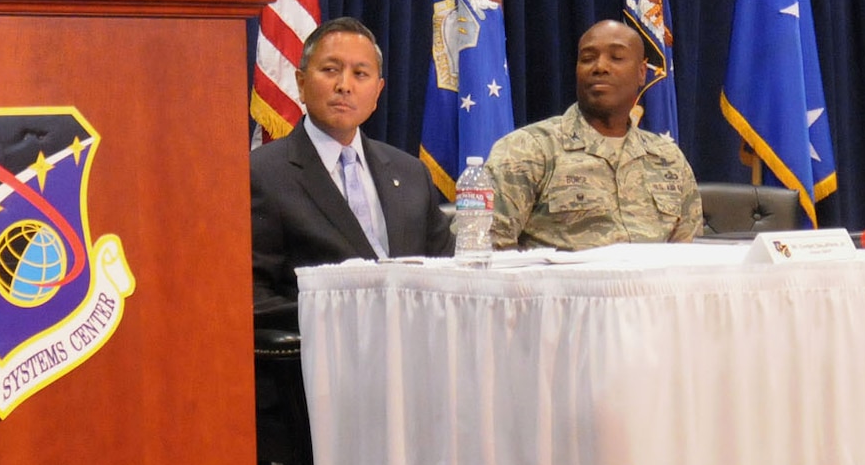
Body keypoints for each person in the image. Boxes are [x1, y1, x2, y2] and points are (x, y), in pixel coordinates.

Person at [250, 18, 454, 312]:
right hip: (321, 349)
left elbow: (446, 273)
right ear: (301, 83)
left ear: (377, 92)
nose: (344, 86)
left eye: (360, 74)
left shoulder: (411, 172)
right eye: (330, 70)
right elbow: (252, 293)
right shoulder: (262, 173)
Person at [487, 19, 703, 249]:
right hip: (561, 284)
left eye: (616, 58)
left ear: (641, 73)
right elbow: (483, 249)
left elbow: (689, 256)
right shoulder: (528, 149)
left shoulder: (668, 159)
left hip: (654, 285)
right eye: (587, 59)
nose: (600, 67)